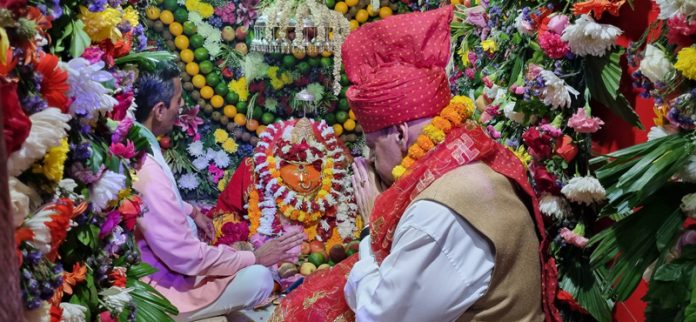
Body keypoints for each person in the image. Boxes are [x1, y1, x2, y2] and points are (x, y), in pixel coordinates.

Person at [271, 6, 559, 322]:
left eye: (371, 147)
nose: (370, 160)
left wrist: (370, 226)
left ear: (399, 133)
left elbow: (378, 316)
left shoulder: (439, 211)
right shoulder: (465, 159)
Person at [131, 61, 303, 321]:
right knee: (259, 279)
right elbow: (185, 257)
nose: (181, 107)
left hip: (168, 265)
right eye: (178, 100)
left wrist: (193, 212)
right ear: (159, 110)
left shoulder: (139, 143)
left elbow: (160, 205)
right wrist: (253, 257)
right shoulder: (147, 167)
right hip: (161, 286)